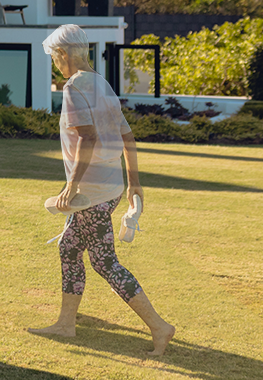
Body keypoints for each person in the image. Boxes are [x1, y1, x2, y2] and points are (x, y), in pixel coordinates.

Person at [27, 24, 174, 356]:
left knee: (105, 262)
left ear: (64, 54)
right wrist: (134, 181)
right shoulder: (102, 83)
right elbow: (127, 136)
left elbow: (88, 138)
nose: (55, 62)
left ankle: (159, 327)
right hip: (111, 186)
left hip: (92, 192)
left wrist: (71, 187)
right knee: (68, 247)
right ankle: (66, 323)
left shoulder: (74, 87)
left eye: (54, 56)